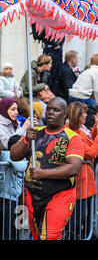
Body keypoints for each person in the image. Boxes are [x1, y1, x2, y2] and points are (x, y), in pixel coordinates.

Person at [10, 97, 84, 240]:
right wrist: (26, 140)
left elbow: (74, 168)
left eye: (56, 110)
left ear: (65, 114)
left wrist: (43, 173)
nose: (50, 112)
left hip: (60, 195)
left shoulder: (73, 138)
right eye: (48, 109)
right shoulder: (35, 132)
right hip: (32, 196)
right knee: (38, 236)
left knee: (48, 236)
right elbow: (13, 155)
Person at [65, 101, 98, 238]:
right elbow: (91, 152)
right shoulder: (72, 133)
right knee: (78, 216)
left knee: (85, 214)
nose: (86, 115)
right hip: (79, 182)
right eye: (83, 113)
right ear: (77, 116)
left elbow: (91, 139)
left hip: (85, 181)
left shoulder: (79, 130)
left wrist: (96, 126)